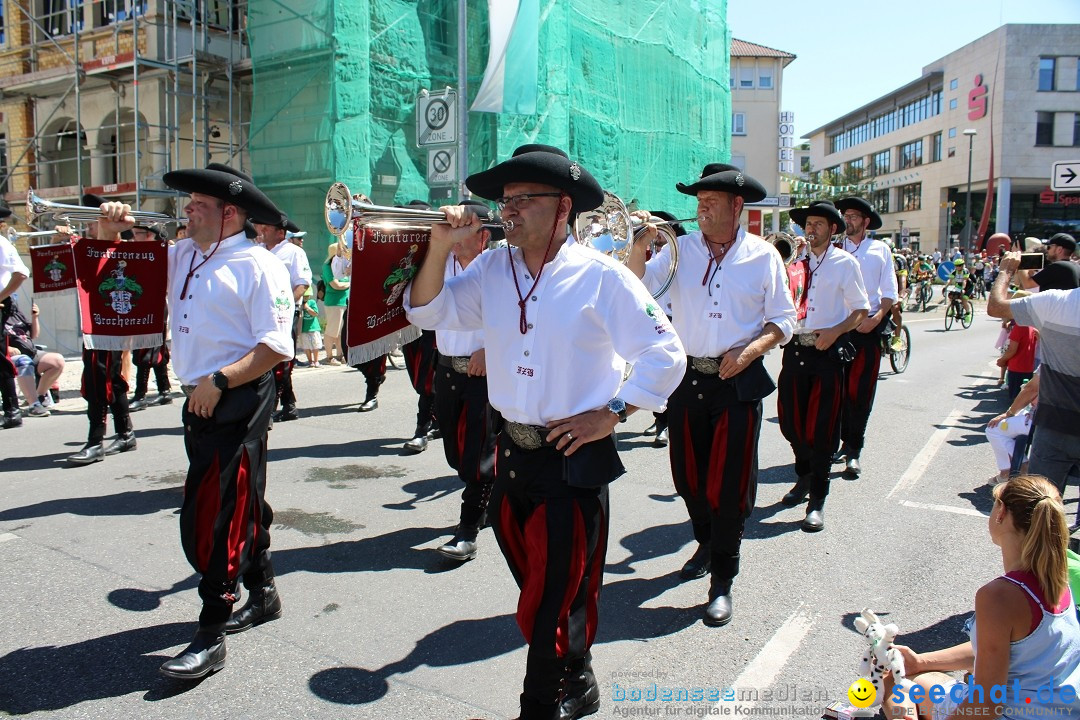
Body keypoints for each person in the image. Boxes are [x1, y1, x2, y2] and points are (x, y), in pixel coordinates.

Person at [405, 144, 685, 720]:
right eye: (504, 200)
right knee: (537, 582)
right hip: (512, 451)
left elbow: (666, 353)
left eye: (522, 200)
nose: (506, 211)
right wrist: (438, 247)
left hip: (571, 455)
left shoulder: (602, 275)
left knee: (553, 593)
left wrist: (613, 412)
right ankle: (578, 676)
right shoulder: (490, 267)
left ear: (562, 207)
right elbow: (428, 313)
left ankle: (542, 700)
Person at [628, 163, 795, 627]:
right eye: (698, 202)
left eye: (710, 202)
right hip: (688, 378)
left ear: (736, 206)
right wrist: (640, 244)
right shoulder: (680, 251)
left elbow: (784, 319)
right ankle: (705, 540)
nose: (700, 209)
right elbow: (635, 286)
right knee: (688, 476)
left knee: (729, 482)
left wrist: (751, 349)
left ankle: (723, 576)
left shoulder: (763, 256)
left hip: (737, 381)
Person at [148, 163, 294, 680]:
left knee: (218, 511)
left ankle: (211, 630)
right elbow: (127, 267)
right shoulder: (185, 252)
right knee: (241, 500)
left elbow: (275, 347)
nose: (186, 211)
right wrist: (107, 229)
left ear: (230, 213)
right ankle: (265, 591)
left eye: (198, 205)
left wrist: (220, 380)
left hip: (237, 394)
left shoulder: (260, 264)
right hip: (200, 397)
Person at [882, 475, 1080, 720]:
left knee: (894, 683)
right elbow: (1001, 650)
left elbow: (986, 707)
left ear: (1001, 513)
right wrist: (920, 661)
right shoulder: (1058, 577)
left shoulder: (999, 596)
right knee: (917, 675)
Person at [776, 201, 869, 531]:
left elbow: (861, 310)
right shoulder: (793, 262)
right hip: (794, 351)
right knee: (790, 424)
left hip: (825, 352)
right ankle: (804, 476)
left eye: (818, 224)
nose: (811, 229)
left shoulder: (845, 263)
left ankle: (817, 498)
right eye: (808, 224)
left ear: (833, 229)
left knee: (822, 429)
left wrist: (836, 331)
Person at [432, 199, 502, 562]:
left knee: (477, 457)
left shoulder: (499, 268)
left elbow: (521, 317)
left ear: (483, 236)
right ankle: (493, 491)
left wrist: (491, 348)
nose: (455, 235)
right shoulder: (436, 261)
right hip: (446, 371)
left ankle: (467, 530)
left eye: (464, 228)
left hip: (484, 376)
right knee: (455, 455)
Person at [989, 250, 1080, 495]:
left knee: (1041, 508)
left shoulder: (1056, 303)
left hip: (1055, 426)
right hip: (1054, 426)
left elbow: (996, 307)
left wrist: (1007, 270)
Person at [67, 194, 139, 464]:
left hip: (108, 322)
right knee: (110, 379)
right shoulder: (90, 246)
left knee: (99, 379)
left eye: (92, 222)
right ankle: (125, 433)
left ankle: (96, 440)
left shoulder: (114, 248)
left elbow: (111, 259)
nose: (88, 227)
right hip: (96, 321)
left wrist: (108, 232)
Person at [832, 197, 899, 479]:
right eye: (845, 215)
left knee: (861, 393)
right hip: (840, 329)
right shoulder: (834, 249)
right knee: (835, 391)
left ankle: (854, 449)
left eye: (854, 216)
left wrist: (875, 319)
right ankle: (834, 442)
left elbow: (889, 292)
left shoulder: (880, 250)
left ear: (866, 221)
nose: (848, 219)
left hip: (868, 329)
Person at [254, 217, 311, 422]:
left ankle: (269, 410)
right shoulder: (258, 250)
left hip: (282, 314)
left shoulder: (294, 252)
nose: (261, 230)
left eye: (265, 226)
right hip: (259, 313)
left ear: (280, 232)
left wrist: (284, 308)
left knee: (279, 361)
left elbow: (301, 285)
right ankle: (289, 405)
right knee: (266, 361)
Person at [4, 301, 64, 416]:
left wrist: (35, 317)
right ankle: (34, 406)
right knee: (24, 361)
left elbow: (33, 335)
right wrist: (7, 348)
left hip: (32, 352)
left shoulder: (15, 313)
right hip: (8, 356)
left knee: (57, 361)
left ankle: (38, 396)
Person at [0, 205, 29, 429]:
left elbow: (21, 273)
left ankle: (12, 409)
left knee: (0, 359)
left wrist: (1, 295)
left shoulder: (1, 243)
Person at [985, 372, 1038, 482]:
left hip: (1042, 421)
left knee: (993, 429)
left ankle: (1008, 472)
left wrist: (1009, 413)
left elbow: (1031, 389)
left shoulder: (1056, 358)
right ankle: (1023, 466)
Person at [321, 242, 349, 365]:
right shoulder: (327, 266)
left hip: (344, 301)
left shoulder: (343, 263)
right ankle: (329, 356)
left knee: (341, 331)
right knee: (332, 330)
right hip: (334, 302)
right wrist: (349, 285)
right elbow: (335, 285)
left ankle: (340, 354)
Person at [997, 317, 1037, 401]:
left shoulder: (1019, 327)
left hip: (1016, 368)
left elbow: (1012, 350)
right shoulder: (1032, 326)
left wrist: (1002, 360)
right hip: (1028, 368)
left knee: (1016, 399)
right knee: (1024, 399)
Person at [298, 291, 323, 368]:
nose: (305, 297)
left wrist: (307, 308)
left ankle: (316, 361)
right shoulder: (298, 304)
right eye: (304, 296)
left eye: (307, 296)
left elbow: (315, 313)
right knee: (306, 346)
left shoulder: (312, 302)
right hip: (303, 328)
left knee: (315, 344)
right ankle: (310, 361)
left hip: (313, 327)